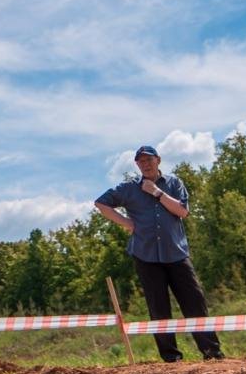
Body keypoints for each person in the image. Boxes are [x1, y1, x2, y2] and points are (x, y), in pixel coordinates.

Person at [95, 145, 224, 362]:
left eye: (149, 160)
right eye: (141, 161)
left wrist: (156, 192)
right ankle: (171, 358)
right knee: (158, 307)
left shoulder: (174, 184)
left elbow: (182, 211)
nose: (145, 164)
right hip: (145, 255)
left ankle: (212, 352)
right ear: (137, 164)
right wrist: (127, 223)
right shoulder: (128, 188)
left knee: (194, 301)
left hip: (176, 253)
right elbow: (101, 203)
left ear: (159, 161)